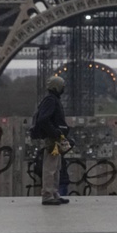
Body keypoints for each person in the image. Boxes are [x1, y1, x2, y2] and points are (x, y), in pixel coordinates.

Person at [31, 75, 71, 205]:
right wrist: (54, 132)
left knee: (56, 167)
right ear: (57, 87)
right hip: (52, 140)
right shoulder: (51, 100)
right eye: (62, 86)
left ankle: (54, 193)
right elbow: (44, 119)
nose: (63, 89)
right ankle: (48, 195)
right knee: (50, 168)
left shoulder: (51, 99)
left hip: (55, 139)